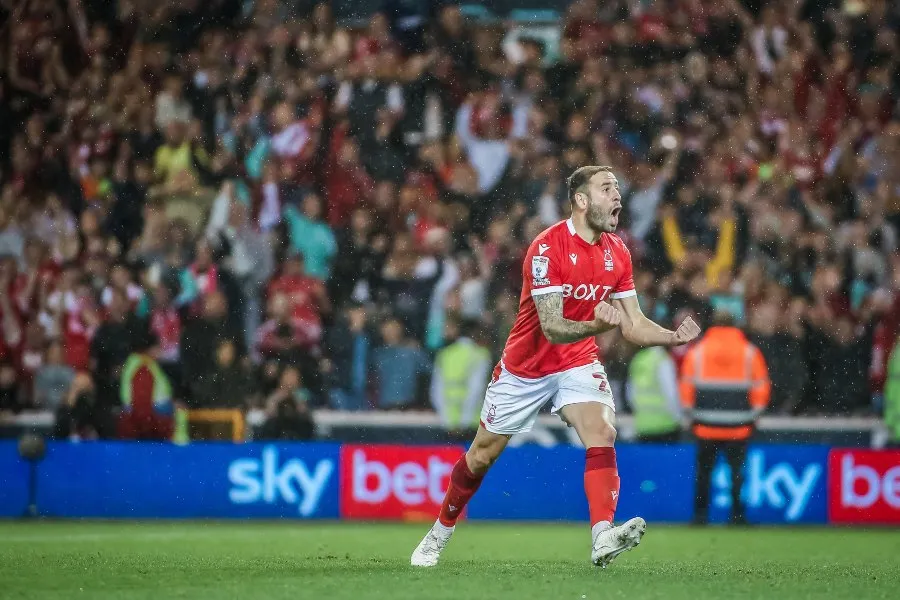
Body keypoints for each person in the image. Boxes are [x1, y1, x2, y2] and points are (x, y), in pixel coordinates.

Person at [411, 165, 701, 568]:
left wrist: (671, 337)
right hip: (525, 367)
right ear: (581, 200)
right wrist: (598, 324)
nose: (617, 196)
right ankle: (440, 531)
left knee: (602, 430)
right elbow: (552, 326)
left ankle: (602, 536)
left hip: (577, 360)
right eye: (606, 189)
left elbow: (633, 324)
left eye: (617, 189)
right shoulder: (547, 249)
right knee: (480, 456)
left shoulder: (617, 252)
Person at [679, 311, 771, 525]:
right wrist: (753, 415)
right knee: (737, 474)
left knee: (703, 474)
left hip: (705, 425)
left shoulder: (698, 351)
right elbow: (761, 387)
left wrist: (691, 414)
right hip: (738, 425)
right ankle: (737, 515)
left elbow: (686, 386)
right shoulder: (749, 352)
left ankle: (700, 516)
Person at [625, 346, 682, 442]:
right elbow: (671, 394)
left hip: (643, 426)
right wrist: (678, 417)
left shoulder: (639, 358)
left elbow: (630, 394)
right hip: (666, 425)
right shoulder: (662, 360)